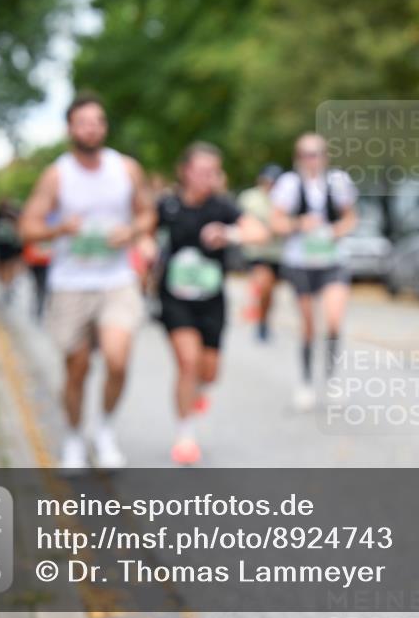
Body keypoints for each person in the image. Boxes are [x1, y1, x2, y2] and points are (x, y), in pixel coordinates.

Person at [19, 92, 155, 474]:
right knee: (77, 368)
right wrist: (60, 228)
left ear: (105, 127)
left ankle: (105, 429)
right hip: (71, 283)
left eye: (97, 122)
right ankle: (74, 437)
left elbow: (148, 214)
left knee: (117, 359)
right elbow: (27, 228)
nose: (91, 129)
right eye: (83, 123)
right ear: (70, 129)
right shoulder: (57, 175)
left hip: (116, 280)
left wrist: (131, 231)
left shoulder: (126, 169)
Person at [154, 142, 267, 465]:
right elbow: (145, 230)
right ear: (184, 171)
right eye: (202, 171)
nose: (208, 178)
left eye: (213, 172)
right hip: (174, 297)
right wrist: (145, 247)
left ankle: (198, 392)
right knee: (187, 363)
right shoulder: (168, 205)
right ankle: (185, 434)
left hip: (211, 300)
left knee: (209, 372)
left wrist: (229, 234)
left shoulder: (222, 206)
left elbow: (259, 232)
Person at [270, 133, 359, 411]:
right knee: (308, 326)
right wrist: (299, 224)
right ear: (298, 158)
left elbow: (351, 217)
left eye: (317, 153)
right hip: (301, 262)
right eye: (307, 154)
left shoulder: (338, 181)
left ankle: (331, 377)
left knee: (333, 320)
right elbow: (276, 222)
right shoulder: (289, 184)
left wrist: (336, 230)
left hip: (333, 260)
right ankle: (306, 380)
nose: (313, 160)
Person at [238, 163, 284, 341]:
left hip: (277, 253)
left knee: (269, 292)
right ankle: (259, 320)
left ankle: (264, 319)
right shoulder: (250, 198)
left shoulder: (285, 199)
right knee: (263, 284)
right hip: (256, 252)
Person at [0, 198, 23, 305]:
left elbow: (19, 227)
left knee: (10, 266)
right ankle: (5, 287)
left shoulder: (12, 215)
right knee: (1, 267)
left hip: (10, 246)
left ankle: (9, 287)